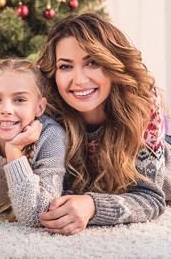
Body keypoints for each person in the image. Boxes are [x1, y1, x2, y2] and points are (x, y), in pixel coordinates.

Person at [37, 13, 171, 235]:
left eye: (92, 62)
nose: (79, 80)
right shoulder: (46, 109)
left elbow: (151, 198)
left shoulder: (142, 106)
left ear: (112, 64)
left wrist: (92, 205)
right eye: (65, 66)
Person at [0, 58, 67, 226]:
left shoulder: (51, 137)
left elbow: (37, 215)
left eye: (20, 100)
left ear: (40, 107)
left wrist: (14, 151)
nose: (6, 110)